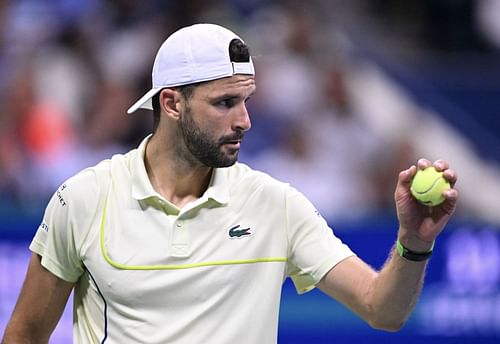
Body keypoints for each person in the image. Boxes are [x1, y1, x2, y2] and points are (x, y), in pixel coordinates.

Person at [1, 23, 458, 344]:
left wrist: (412, 243)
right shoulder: (82, 199)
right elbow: (24, 335)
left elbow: (383, 310)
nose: (244, 121)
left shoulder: (276, 204)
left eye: (246, 101)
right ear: (172, 103)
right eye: (225, 103)